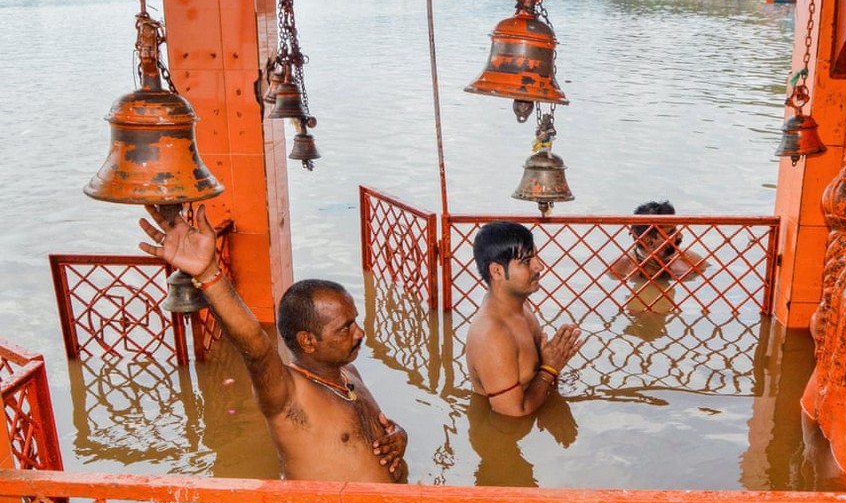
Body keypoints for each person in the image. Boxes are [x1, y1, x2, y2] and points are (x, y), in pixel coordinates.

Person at [138, 205, 407, 483]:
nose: (360, 332)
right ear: (308, 342)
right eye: (346, 328)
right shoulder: (286, 394)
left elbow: (372, 435)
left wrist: (398, 436)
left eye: (356, 321)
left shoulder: (350, 374)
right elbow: (257, 348)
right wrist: (208, 273)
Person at [465, 221, 584, 417]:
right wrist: (549, 370)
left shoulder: (521, 305)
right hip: (503, 439)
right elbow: (513, 415)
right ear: (497, 271)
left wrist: (551, 363)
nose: (539, 266)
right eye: (526, 261)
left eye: (536, 256)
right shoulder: (493, 336)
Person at [608, 200, 708, 282]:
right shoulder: (619, 269)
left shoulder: (690, 261)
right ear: (647, 239)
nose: (680, 236)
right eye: (671, 232)